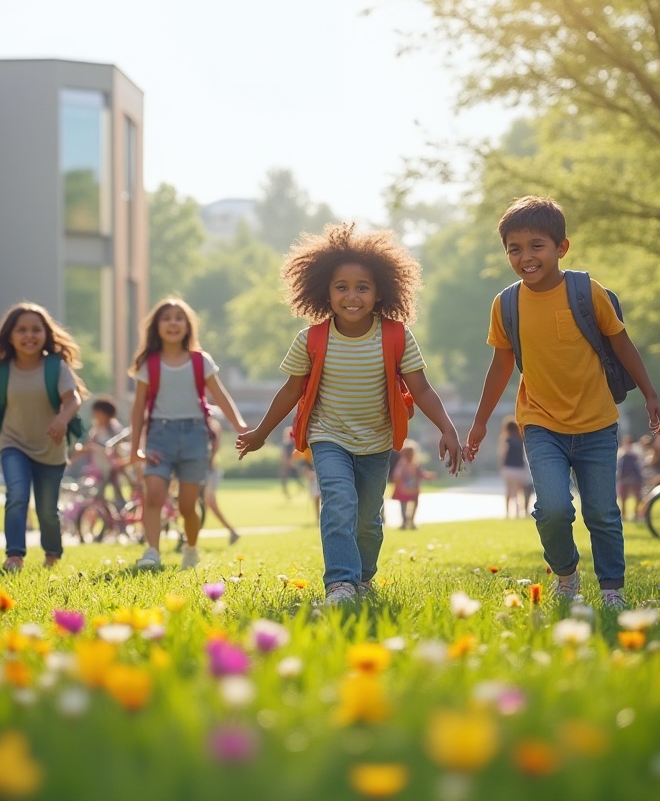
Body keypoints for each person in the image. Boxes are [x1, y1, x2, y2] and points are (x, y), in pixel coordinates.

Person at [235, 222, 463, 605]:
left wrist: (447, 428)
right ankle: (340, 583)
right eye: (342, 287)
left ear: (380, 292)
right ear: (325, 291)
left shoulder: (396, 335)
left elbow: (421, 388)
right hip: (329, 437)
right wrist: (260, 432)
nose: (352, 296)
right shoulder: (311, 339)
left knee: (368, 522)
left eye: (363, 287)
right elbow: (291, 390)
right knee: (338, 503)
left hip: (377, 441)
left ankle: (363, 580)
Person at [462, 196, 660, 610]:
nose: (526, 257)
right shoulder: (506, 304)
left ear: (561, 248)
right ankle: (566, 573)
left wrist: (650, 394)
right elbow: (501, 365)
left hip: (596, 423)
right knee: (552, 509)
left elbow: (621, 343)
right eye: (514, 249)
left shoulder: (585, 291)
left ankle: (612, 591)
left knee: (602, 513)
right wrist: (481, 422)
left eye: (536, 245)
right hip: (540, 423)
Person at [0, 301, 87, 572]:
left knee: (47, 510)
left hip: (51, 448)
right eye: (21, 330)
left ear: (46, 334)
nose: (29, 335)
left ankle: (52, 553)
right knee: (17, 495)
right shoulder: (1, 372)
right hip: (14, 445)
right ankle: (14, 556)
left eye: (36, 330)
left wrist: (61, 418)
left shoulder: (55, 367)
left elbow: (73, 399)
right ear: (10, 336)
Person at [128, 298, 247, 571]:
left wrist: (240, 426)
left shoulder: (199, 361)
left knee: (187, 504)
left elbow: (221, 396)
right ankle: (152, 552)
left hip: (195, 436)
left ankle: (191, 548)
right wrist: (136, 448)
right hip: (160, 434)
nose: (173, 323)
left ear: (188, 326)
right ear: (157, 326)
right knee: (154, 494)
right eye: (166, 318)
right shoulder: (149, 363)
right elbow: (137, 409)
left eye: (179, 318)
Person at [204, 415, 241, 545]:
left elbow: (215, 446)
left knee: (210, 501)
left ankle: (231, 531)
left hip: (209, 468)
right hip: (200, 468)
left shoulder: (213, 427)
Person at [389, 439, 434, 530]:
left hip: (410, 489)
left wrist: (427, 476)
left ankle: (409, 522)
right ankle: (406, 522)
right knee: (404, 505)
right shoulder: (402, 464)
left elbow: (420, 473)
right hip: (405, 489)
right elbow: (397, 474)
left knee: (409, 505)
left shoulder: (413, 464)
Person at [498, 416, 533, 519]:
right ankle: (519, 512)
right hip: (519, 469)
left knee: (509, 491)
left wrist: (501, 467)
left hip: (508, 468)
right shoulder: (521, 440)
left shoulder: (506, 440)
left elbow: (503, 454)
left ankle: (508, 513)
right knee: (518, 492)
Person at [616, 435, 644, 521]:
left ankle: (636, 514)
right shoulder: (621, 452)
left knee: (637, 497)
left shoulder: (636, 452)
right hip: (625, 478)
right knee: (623, 498)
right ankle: (624, 516)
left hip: (633, 477)